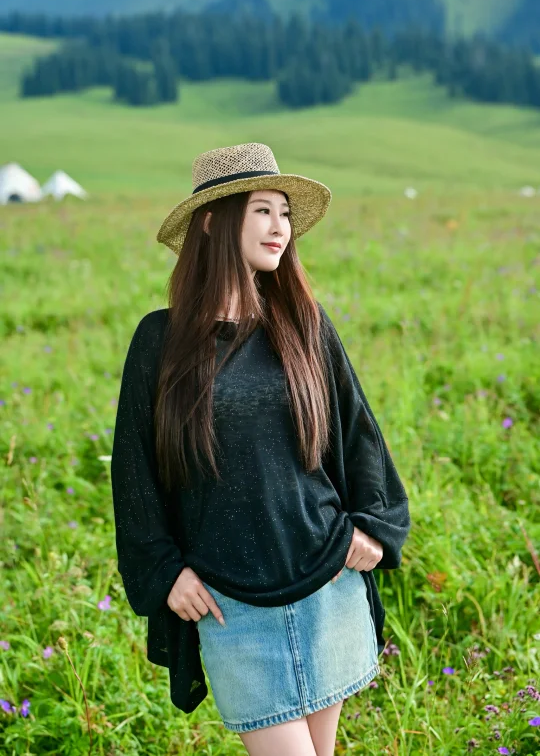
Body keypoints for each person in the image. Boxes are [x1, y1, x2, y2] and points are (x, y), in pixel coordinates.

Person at [111, 142, 412, 756]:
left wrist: (373, 529)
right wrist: (164, 571)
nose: (280, 228)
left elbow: (358, 433)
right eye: (262, 212)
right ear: (214, 221)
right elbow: (133, 472)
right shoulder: (160, 341)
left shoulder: (302, 323)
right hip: (231, 606)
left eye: (285, 214)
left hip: (327, 583)